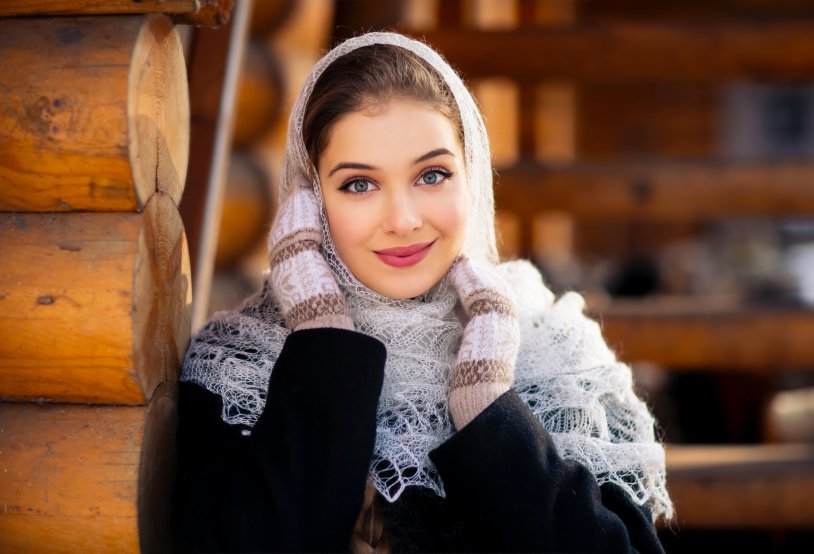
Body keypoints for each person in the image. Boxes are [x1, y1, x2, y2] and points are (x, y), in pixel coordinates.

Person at [173, 32, 672, 553]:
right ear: (309, 202)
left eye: (432, 175)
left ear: (470, 177)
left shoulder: (559, 357)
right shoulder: (236, 369)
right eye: (359, 184)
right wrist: (322, 338)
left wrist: (490, 409)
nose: (403, 219)